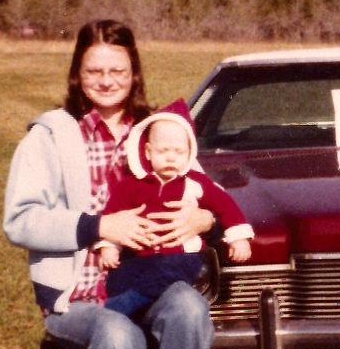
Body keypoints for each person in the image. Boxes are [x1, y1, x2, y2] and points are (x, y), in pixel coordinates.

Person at [3, 19, 221, 349]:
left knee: (189, 307)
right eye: (94, 70)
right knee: (117, 333)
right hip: (80, 295)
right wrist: (100, 224)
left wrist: (205, 219)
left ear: (134, 72)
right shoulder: (51, 135)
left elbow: (207, 194)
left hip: (150, 280)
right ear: (77, 75)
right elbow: (20, 219)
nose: (106, 79)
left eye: (116, 69)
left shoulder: (160, 131)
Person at [98, 99, 253, 317]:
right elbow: (114, 214)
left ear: (189, 153)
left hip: (181, 255)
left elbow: (225, 205)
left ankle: (132, 302)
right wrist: (110, 247)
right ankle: (126, 304)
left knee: (168, 272)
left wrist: (238, 237)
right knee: (121, 275)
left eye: (179, 152)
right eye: (163, 151)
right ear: (148, 151)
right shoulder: (132, 185)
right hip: (141, 256)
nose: (171, 158)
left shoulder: (195, 182)